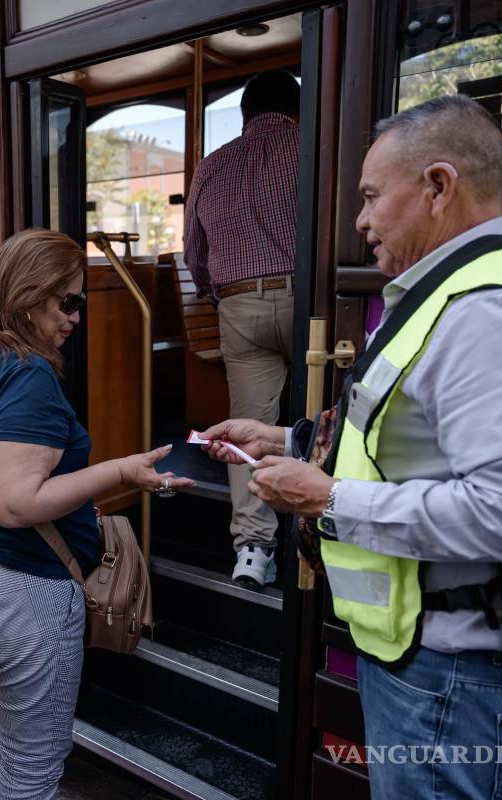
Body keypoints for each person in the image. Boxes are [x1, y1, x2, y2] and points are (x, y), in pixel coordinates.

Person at [204, 95, 502, 799]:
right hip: (454, 671)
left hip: (466, 681)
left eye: (372, 196)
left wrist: (327, 500)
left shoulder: (489, 314)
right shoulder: (466, 292)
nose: (360, 220)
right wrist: (288, 438)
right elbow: (408, 438)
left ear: (438, 186)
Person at [0, 228, 195, 800]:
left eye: (80, 302)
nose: (76, 316)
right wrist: (121, 471)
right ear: (29, 293)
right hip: (18, 589)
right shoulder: (26, 373)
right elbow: (14, 503)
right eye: (67, 301)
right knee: (33, 766)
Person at [182, 70, 300, 588]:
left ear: (245, 114)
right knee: (325, 415)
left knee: (246, 427)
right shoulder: (313, 149)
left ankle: (253, 551)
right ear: (297, 110)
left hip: (238, 303)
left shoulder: (212, 165)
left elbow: (194, 253)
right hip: (308, 299)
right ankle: (323, 527)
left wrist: (219, 292)